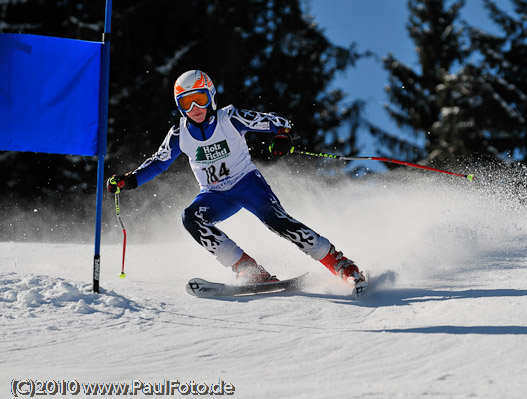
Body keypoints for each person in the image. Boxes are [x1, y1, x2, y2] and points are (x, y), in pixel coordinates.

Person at [106, 70, 367, 293]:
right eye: (186, 104)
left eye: (200, 99)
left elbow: (275, 121)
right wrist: (130, 180)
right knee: (191, 218)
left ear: (212, 97)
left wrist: (282, 136)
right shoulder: (179, 134)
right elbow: (158, 162)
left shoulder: (229, 118)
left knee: (278, 222)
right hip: (214, 195)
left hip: (247, 184)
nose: (195, 109)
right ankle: (248, 270)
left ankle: (341, 265)